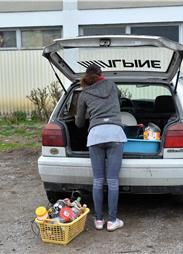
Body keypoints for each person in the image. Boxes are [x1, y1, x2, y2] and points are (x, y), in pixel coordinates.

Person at [75, 64, 127, 231]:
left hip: (95, 136)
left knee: (98, 180)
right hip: (115, 134)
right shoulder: (111, 85)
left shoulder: (83, 94)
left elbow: (79, 122)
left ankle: (98, 220)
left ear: (87, 76)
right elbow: (119, 101)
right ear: (101, 74)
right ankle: (112, 221)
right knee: (112, 181)